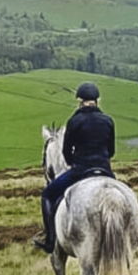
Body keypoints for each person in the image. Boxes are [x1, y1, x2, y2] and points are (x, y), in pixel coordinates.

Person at [31, 82, 116, 252]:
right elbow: (111, 151)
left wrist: (73, 163)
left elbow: (66, 151)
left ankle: (50, 240)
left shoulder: (75, 121)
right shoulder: (108, 121)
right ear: (96, 100)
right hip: (106, 172)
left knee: (47, 195)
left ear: (80, 100)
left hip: (81, 170)